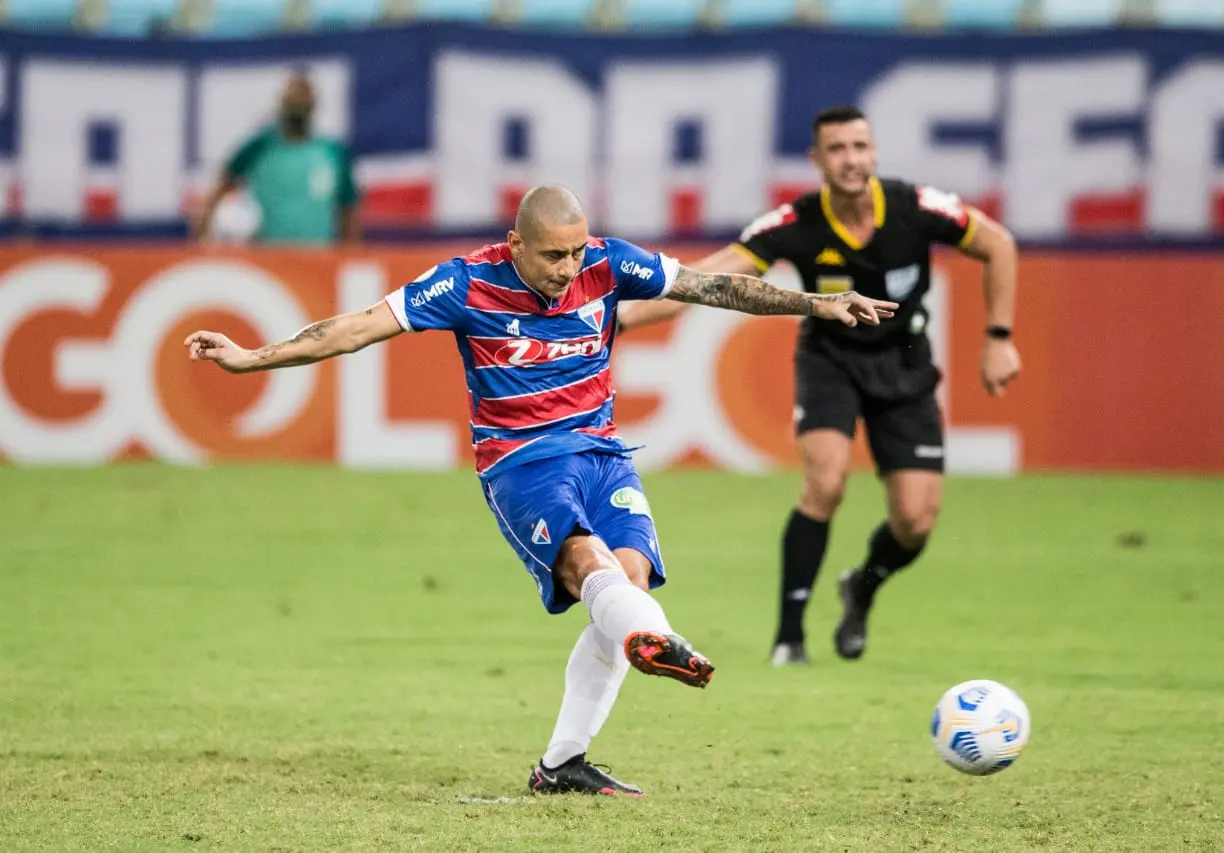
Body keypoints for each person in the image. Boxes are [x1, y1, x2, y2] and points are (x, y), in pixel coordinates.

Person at [184, 185, 897, 796]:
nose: (569, 267)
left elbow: (714, 286)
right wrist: (254, 358)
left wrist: (820, 304)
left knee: (630, 582)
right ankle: (659, 636)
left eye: (577, 251)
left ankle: (562, 763)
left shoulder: (609, 263)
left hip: (603, 453)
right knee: (596, 570)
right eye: (553, 254)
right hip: (521, 463)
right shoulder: (464, 282)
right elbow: (356, 327)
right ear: (515, 244)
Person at [618, 106, 1020, 667]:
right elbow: (710, 278)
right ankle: (789, 637)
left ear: (874, 153)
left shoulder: (917, 208)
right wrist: (622, 321)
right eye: (838, 149)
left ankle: (863, 585)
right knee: (825, 483)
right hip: (830, 362)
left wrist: (999, 336)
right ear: (816, 160)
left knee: (915, 520)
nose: (851, 159)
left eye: (860, 146)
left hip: (905, 364)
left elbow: (997, 244)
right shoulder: (794, 223)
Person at [192, 70, 360, 245]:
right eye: (292, 93)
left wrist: (349, 252)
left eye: (304, 94)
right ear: (280, 101)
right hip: (268, 258)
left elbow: (347, 210)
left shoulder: (333, 153)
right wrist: (203, 226)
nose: (298, 100)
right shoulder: (260, 147)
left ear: (314, 103)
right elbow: (221, 184)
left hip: (318, 260)